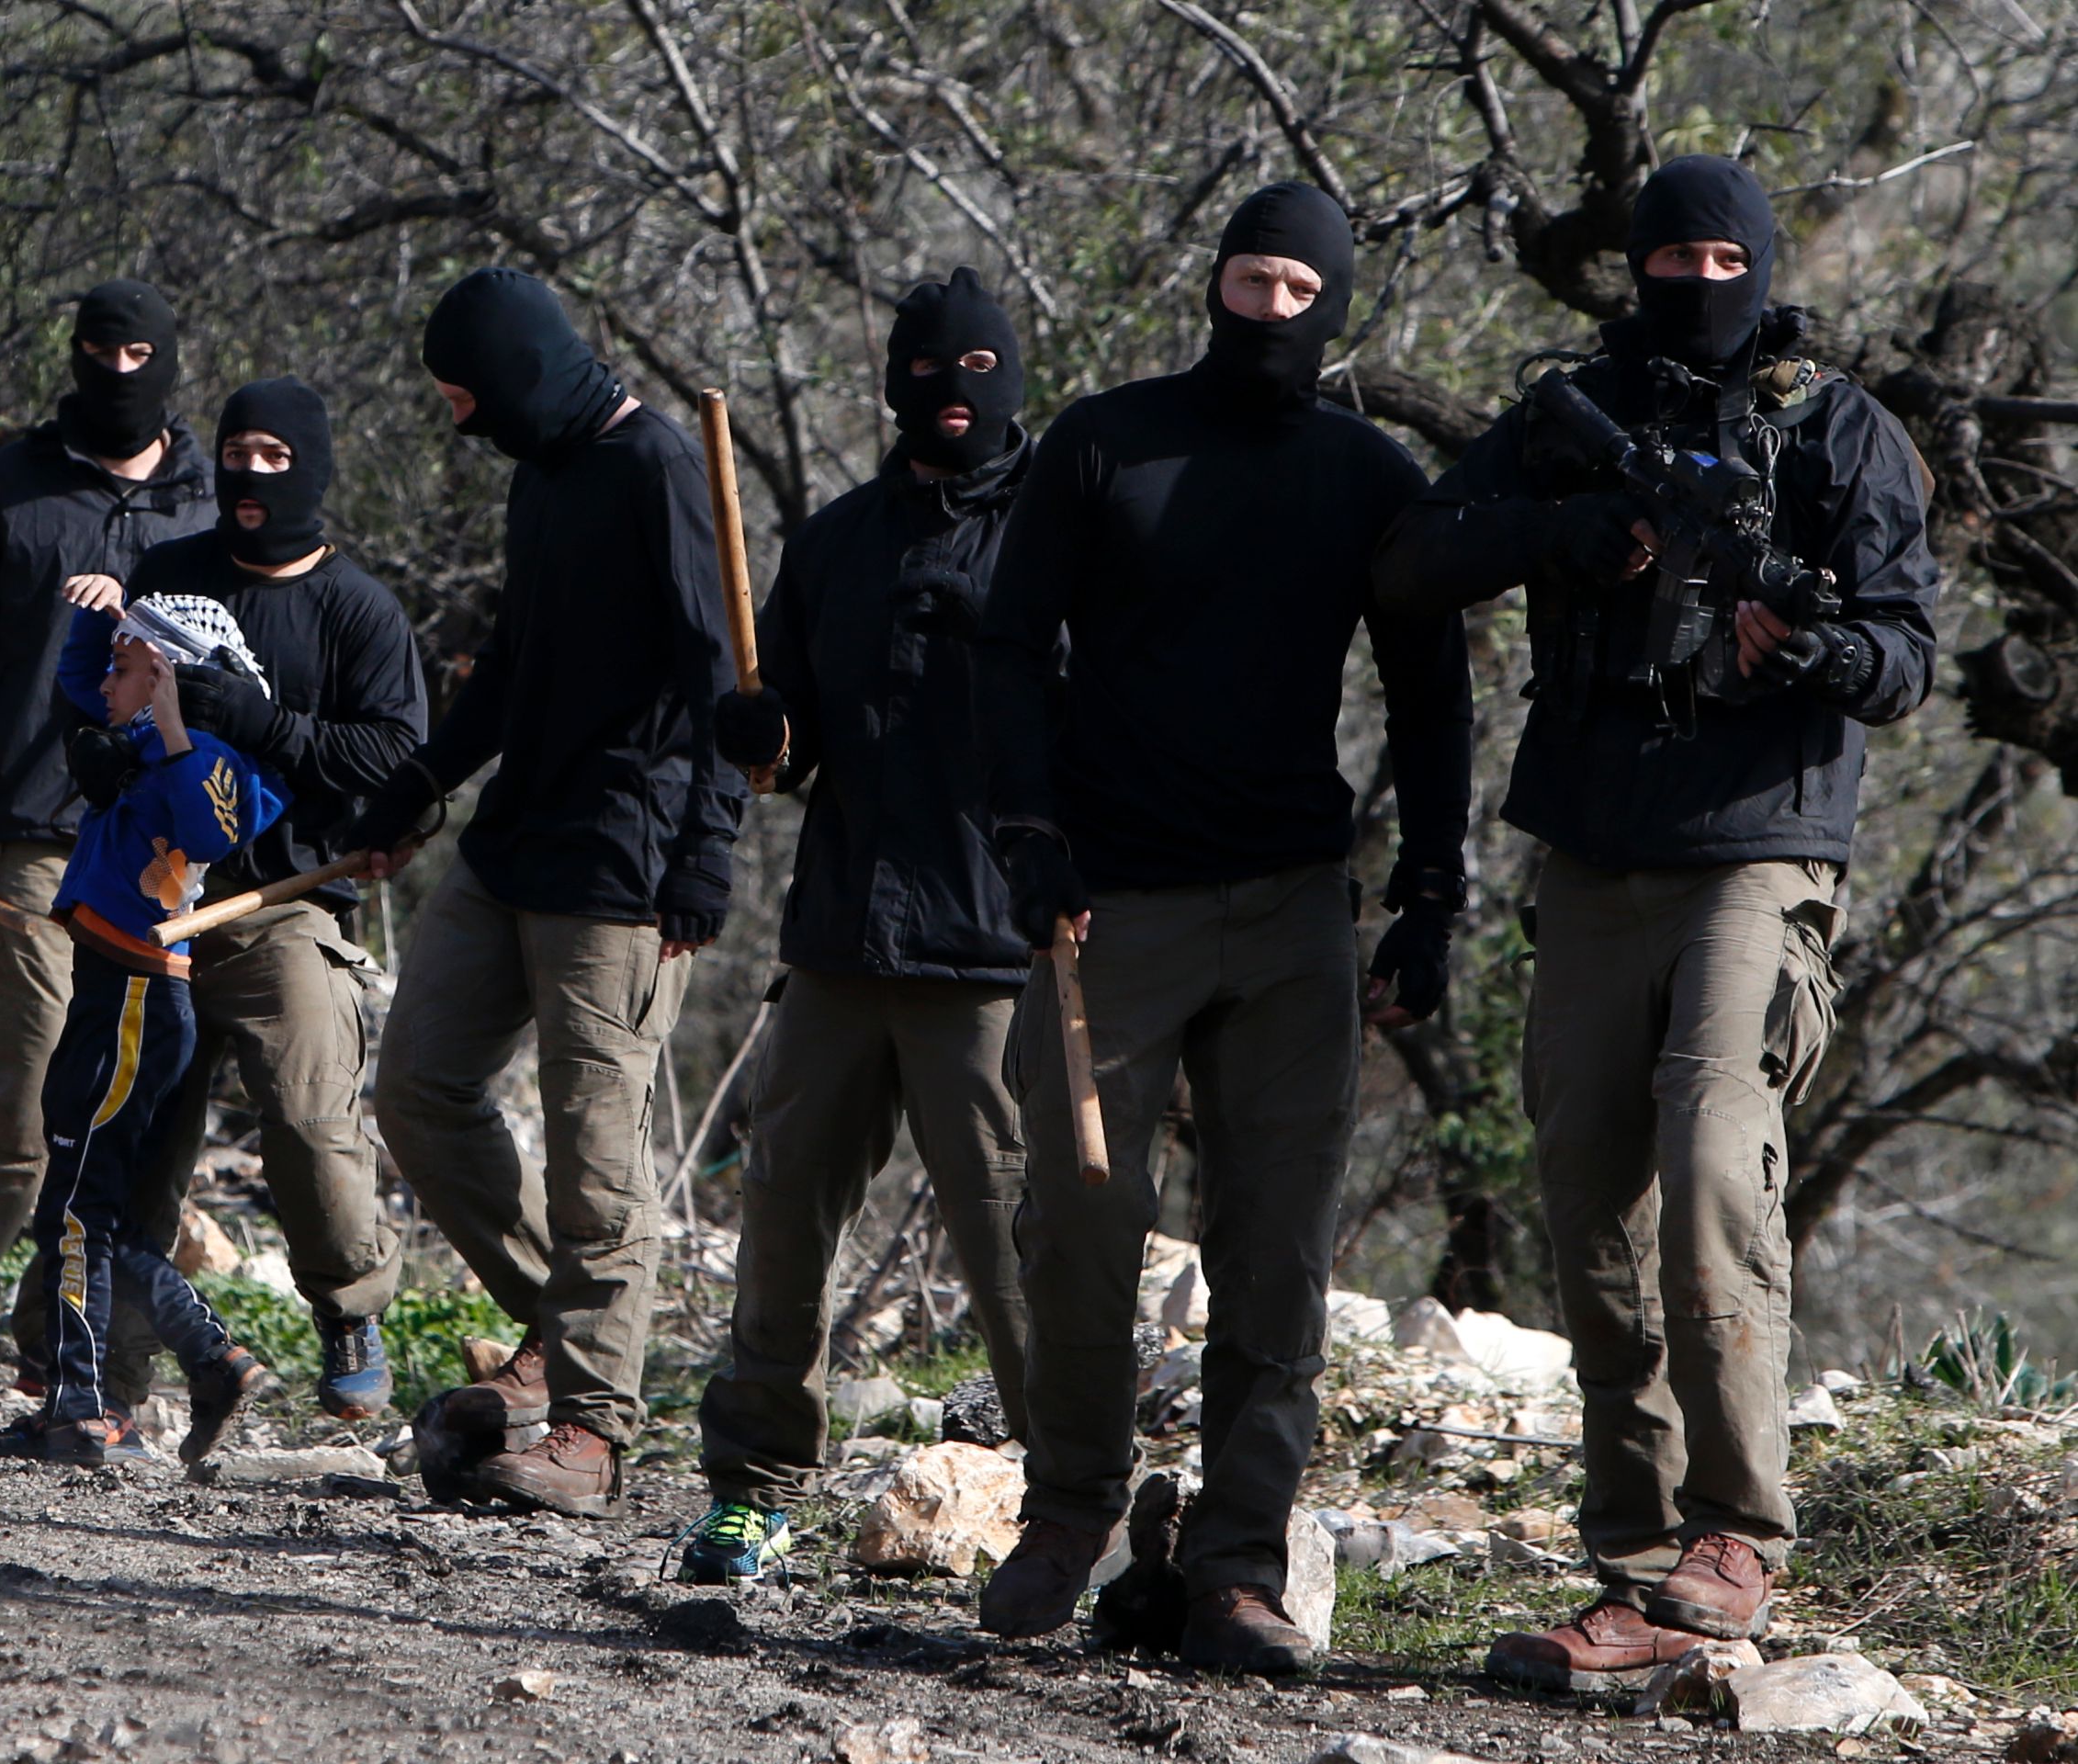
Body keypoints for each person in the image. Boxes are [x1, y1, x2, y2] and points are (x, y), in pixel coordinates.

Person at [1372, 155, 1938, 1689]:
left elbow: (1903, 660)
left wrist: (1805, 638)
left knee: (1706, 1163)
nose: (1695, 283)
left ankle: (1737, 1530)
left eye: (1719, 256)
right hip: (1591, 850)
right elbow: (1416, 564)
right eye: (1668, 256)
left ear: (1755, 268)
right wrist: (1561, 534)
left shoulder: (1840, 431)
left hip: (1757, 849)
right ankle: (1627, 1574)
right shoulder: (1574, 420)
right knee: (1585, 1203)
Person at [969, 183, 1474, 1668]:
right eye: (1248, 281)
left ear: (1333, 306)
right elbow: (1006, 645)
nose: (1267, 312)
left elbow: (1431, 697)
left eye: (1296, 290)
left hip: (1290, 911)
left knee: (1276, 1246)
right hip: (1104, 904)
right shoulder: (1100, 441)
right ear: (1212, 284)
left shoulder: (1367, 477)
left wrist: (1429, 897)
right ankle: (1064, 1507)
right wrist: (1024, 827)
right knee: (1072, 1214)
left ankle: (1239, 1564)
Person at [354, 266, 747, 1518]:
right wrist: (422, 779)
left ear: (519, 376)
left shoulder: (660, 471)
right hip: (514, 840)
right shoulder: (546, 476)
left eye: (469, 400)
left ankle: (590, 1426)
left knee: (598, 1154)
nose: (466, 427)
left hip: (624, 864)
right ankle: (562, 1330)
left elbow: (722, 679)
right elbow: (515, 660)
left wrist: (706, 850)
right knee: (417, 1085)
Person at [676, 268, 1040, 1584]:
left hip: (990, 955)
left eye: (980, 372)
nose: (953, 396)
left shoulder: (1053, 536)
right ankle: (754, 1488)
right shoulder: (835, 542)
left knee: (1012, 1245)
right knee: (781, 1224)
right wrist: (760, 733)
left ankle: (1066, 1511)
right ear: (894, 386)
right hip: (837, 942)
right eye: (929, 373)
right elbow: (792, 737)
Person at [45, 377, 429, 1419]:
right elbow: (110, 684)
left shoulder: (359, 610)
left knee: (308, 1112)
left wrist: (266, 725)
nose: (251, 474)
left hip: (282, 903)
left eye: (273, 456)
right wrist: (100, 756)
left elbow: (397, 755)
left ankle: (350, 1309)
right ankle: (107, 1387)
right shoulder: (172, 574)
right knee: (130, 1145)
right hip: (153, 906)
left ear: (311, 465)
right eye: (236, 453)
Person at [0, 279, 212, 1349]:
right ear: (74, 355)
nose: (118, 373)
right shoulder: (8, 487)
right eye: (98, 352)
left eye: (138, 355)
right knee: (25, 1078)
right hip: (25, 831)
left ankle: (67, 1321)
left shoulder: (209, 502)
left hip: (164, 845)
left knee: (141, 1095)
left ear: (168, 363)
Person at [0, 597, 287, 1465]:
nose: (104, 681)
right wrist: (91, 617)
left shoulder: (209, 756)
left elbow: (216, 827)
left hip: (139, 1000)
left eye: (124, 666)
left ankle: (80, 1409)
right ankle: (209, 1360)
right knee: (90, 1210)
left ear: (168, 676)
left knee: (74, 1211)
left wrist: (178, 720)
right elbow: (80, 683)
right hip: (110, 993)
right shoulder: (138, 741)